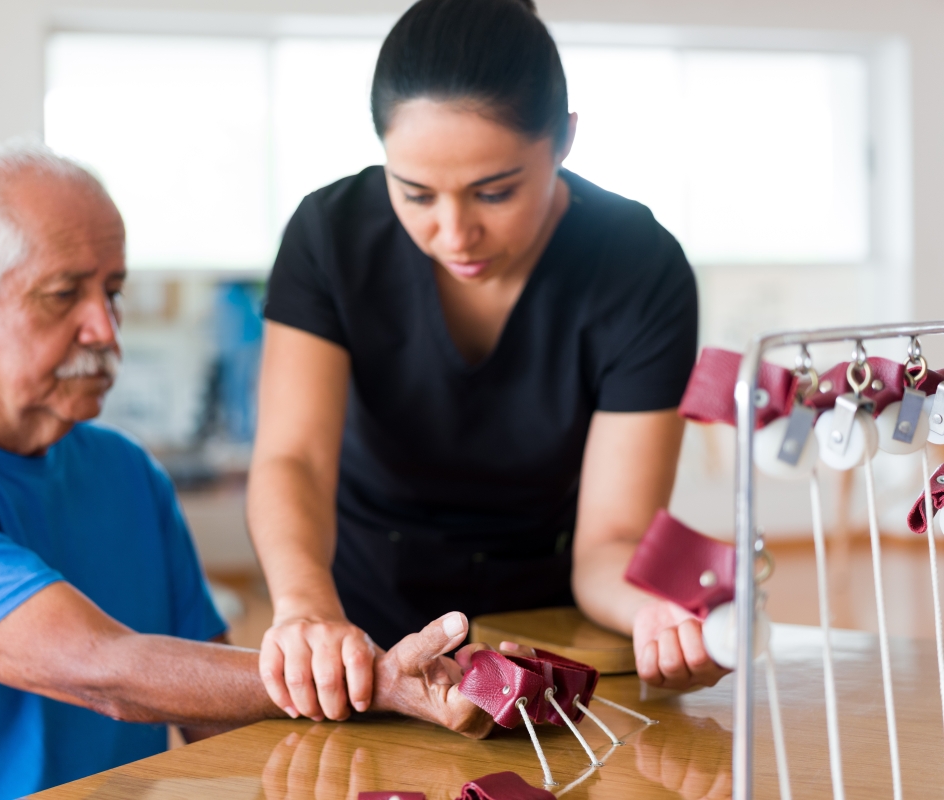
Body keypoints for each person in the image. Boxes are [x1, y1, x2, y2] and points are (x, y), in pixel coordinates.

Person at [0, 143, 492, 800]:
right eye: (64, 295)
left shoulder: (126, 474)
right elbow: (102, 670)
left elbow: (218, 715)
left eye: (112, 292)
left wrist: (413, 713)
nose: (106, 330)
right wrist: (373, 680)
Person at [248, 0, 722, 727]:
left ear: (564, 139)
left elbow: (609, 541)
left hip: (547, 625)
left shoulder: (640, 268)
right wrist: (306, 610)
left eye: (495, 192)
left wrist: (657, 613)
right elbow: (294, 461)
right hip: (355, 624)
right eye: (414, 193)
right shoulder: (329, 236)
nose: (454, 232)